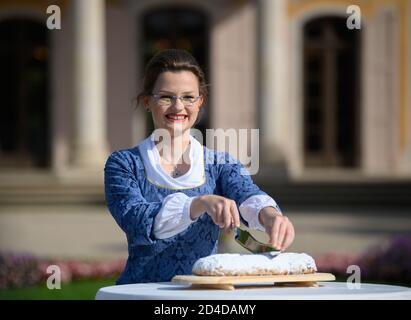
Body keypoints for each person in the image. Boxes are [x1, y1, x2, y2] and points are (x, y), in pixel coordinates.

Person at [104, 49, 295, 284]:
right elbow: (136, 220)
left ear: (200, 102)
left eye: (188, 97)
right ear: (146, 101)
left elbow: (246, 193)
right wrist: (199, 203)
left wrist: (270, 216)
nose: (177, 107)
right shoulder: (123, 164)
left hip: (203, 296)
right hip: (141, 291)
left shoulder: (220, 163)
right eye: (166, 97)